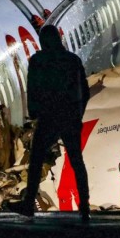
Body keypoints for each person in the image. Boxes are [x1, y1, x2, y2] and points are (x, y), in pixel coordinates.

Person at [20, 24, 91, 221]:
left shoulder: (38, 61)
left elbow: (32, 88)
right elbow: (84, 92)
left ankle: (28, 205)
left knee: (35, 161)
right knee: (77, 162)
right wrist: (78, 114)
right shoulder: (73, 60)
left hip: (48, 117)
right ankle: (84, 206)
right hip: (69, 116)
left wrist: (34, 112)